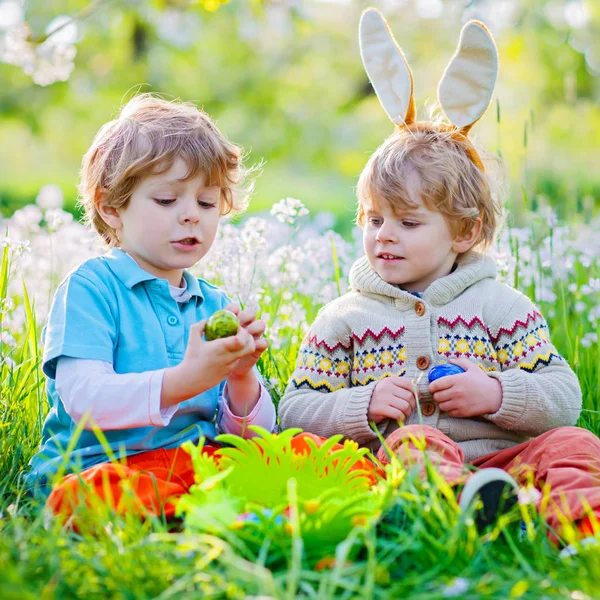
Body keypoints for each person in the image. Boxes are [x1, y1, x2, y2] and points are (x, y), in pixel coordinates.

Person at [279, 9, 600, 543]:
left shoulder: (503, 308)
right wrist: (361, 404)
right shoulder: (345, 318)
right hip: (405, 466)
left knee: (575, 443)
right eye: (373, 219)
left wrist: (497, 394)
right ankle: (455, 516)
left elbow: (562, 394)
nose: (384, 235)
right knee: (414, 446)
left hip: (504, 461)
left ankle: (579, 533)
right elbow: (295, 408)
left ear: (464, 232)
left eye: (407, 223)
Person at [25, 94, 276, 521]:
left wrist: (240, 375)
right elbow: (85, 401)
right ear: (111, 207)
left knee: (287, 454)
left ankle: (204, 511)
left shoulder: (213, 304)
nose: (190, 216)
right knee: (93, 495)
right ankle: (212, 516)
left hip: (191, 465)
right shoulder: (91, 289)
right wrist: (184, 380)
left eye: (206, 202)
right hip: (101, 468)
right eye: (166, 200)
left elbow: (250, 436)